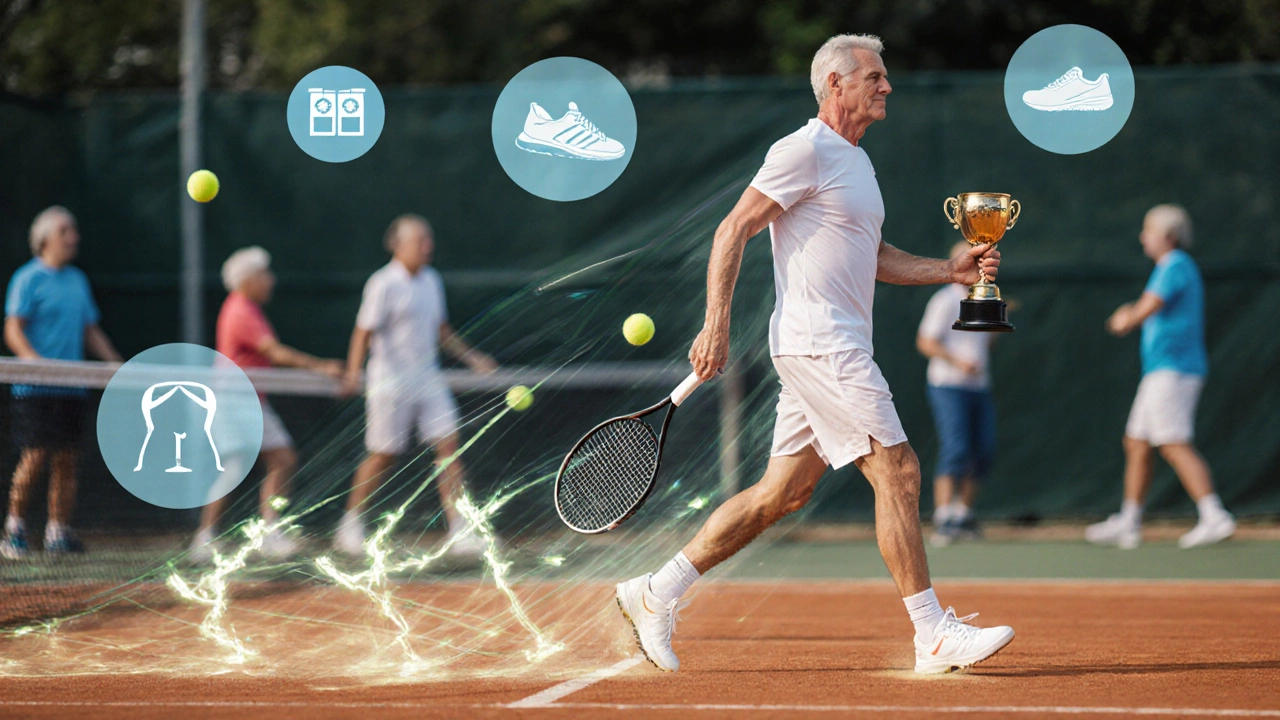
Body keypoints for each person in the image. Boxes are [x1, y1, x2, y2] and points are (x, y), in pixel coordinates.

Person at [614, 34, 1014, 676]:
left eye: (885, 77)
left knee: (782, 493)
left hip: (828, 345)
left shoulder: (857, 163)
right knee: (899, 470)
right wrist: (715, 323)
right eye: (875, 77)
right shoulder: (803, 149)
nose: (887, 87)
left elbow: (873, 256)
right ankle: (931, 633)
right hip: (821, 343)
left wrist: (949, 270)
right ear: (836, 83)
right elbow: (734, 227)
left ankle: (653, 593)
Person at [338, 215, 498, 558]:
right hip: (388, 382)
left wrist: (473, 358)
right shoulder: (382, 283)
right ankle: (350, 524)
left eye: (429, 239)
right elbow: (362, 331)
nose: (428, 246)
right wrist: (353, 372)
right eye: (420, 240)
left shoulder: (431, 280)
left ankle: (459, 530)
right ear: (398, 245)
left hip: (428, 380)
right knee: (383, 455)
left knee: (449, 448)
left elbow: (441, 331)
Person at [1087, 204, 1234, 549]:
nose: (1143, 238)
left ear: (1168, 236)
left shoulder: (1176, 264)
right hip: (1160, 371)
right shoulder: (1169, 268)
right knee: (1137, 442)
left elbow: (1146, 307)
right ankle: (1130, 520)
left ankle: (1214, 515)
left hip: (1174, 370)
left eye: (1148, 231)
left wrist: (1126, 317)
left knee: (1172, 442)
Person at [189, 247, 343, 562]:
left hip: (249, 399)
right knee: (271, 460)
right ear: (249, 279)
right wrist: (320, 365)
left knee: (275, 460)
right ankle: (218, 537)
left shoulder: (247, 308)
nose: (270, 280)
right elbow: (274, 352)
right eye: (264, 274)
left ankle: (247, 534)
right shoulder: (241, 310)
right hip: (235, 400)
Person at [2, 206, 121, 559]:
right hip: (36, 390)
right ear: (45, 240)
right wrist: (36, 365)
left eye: (74, 230)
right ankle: (15, 531)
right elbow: (13, 328)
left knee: (67, 460)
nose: (74, 237)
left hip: (72, 387)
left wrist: (115, 363)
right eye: (66, 231)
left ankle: (57, 532)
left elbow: (89, 329)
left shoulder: (77, 281)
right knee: (35, 456)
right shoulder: (27, 279)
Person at [916, 241, 997, 546]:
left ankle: (963, 515)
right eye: (974, 260)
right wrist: (958, 361)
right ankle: (943, 517)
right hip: (947, 385)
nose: (979, 266)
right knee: (957, 448)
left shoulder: (986, 300)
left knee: (982, 451)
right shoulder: (944, 301)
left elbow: (987, 343)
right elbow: (925, 342)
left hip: (979, 387)